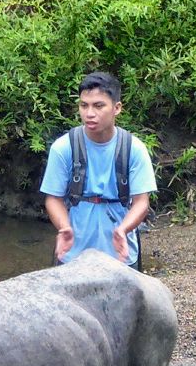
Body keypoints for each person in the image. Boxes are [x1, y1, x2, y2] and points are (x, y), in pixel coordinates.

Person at [40, 72, 157, 267]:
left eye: (98, 105)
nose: (89, 113)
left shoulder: (134, 149)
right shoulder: (63, 148)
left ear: (116, 108)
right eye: (84, 105)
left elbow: (141, 202)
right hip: (73, 254)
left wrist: (123, 230)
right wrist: (64, 227)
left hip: (120, 256)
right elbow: (53, 198)